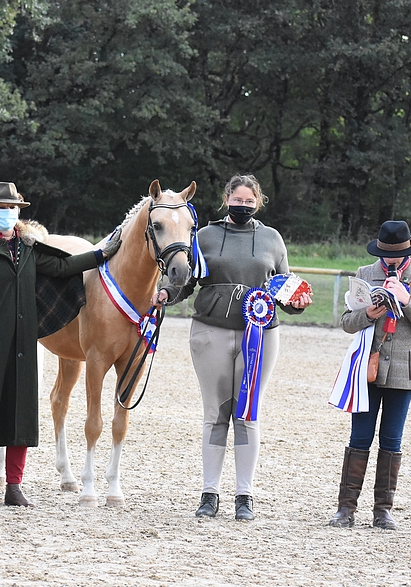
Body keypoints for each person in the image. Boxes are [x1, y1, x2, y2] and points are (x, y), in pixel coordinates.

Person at [0, 182, 122, 507]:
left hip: (18, 346)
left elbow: (63, 267)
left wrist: (101, 254)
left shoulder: (28, 247)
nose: (7, 214)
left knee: (17, 416)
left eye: (12, 208)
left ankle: (14, 486)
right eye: (0, 208)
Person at [152, 173, 312, 520]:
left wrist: (295, 302)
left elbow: (283, 286)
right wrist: (167, 293)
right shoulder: (204, 236)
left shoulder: (272, 238)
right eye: (237, 201)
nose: (243, 206)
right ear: (226, 200)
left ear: (258, 202)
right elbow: (187, 281)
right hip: (210, 332)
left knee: (248, 414)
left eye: (249, 202)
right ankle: (209, 493)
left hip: (260, 335)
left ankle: (244, 496)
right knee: (215, 414)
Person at [329, 220, 411, 530]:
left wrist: (407, 301)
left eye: (395, 257)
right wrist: (368, 314)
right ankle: (346, 508)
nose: (390, 262)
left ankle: (383, 510)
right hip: (367, 369)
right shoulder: (365, 275)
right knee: (359, 437)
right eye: (385, 255)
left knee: (392, 441)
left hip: (403, 373)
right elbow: (347, 322)